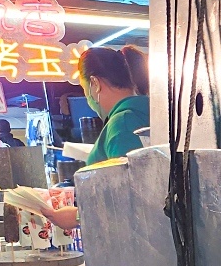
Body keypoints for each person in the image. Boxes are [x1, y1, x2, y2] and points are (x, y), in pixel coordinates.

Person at [41, 45, 150, 231]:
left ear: (95, 83)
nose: (87, 97)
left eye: (84, 88)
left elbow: (133, 196)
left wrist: (77, 216)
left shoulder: (121, 123)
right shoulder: (147, 113)